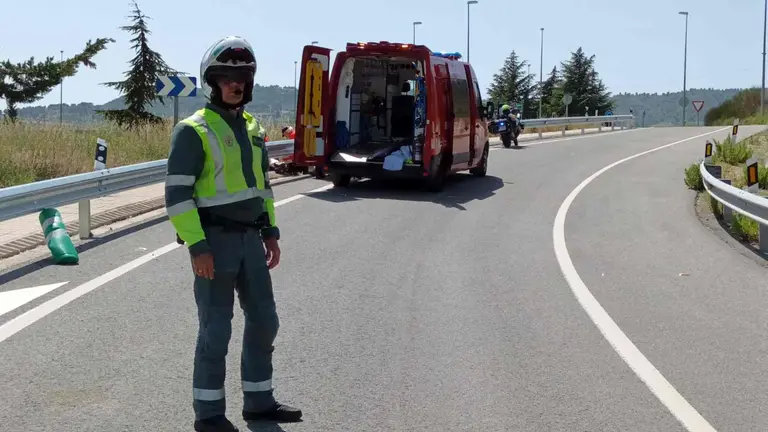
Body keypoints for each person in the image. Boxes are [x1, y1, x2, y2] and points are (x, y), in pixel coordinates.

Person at [164, 36, 302, 432]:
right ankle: (208, 415)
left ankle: (259, 403)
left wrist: (270, 230)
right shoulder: (193, 130)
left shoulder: (252, 128)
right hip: (214, 242)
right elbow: (176, 196)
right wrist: (197, 245)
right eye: (226, 78)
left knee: (265, 321)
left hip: (250, 240)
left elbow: (262, 187)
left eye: (241, 78)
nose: (235, 84)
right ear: (213, 82)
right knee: (216, 330)